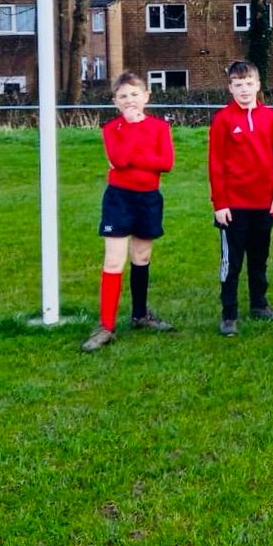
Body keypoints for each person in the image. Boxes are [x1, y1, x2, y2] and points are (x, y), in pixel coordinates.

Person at [82, 72, 176, 352]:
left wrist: (138, 156)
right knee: (113, 261)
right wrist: (134, 134)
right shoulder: (111, 129)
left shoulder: (160, 127)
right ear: (115, 102)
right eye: (123, 96)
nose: (130, 100)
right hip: (119, 199)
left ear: (146, 96)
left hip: (148, 198)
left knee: (141, 256)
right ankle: (106, 326)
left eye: (135, 94)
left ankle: (140, 315)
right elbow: (120, 160)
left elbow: (166, 163)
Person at [208, 60, 273, 336]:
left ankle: (259, 304)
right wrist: (220, 203)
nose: (244, 90)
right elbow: (215, 164)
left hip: (264, 203)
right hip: (234, 207)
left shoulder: (271, 118)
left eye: (249, 84)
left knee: (259, 258)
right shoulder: (223, 120)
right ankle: (229, 313)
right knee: (232, 263)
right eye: (238, 85)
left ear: (258, 85)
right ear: (230, 88)